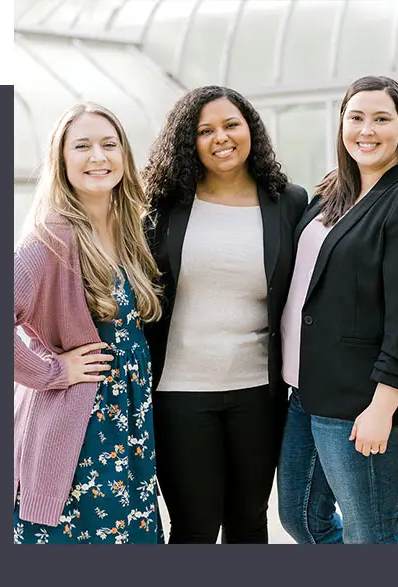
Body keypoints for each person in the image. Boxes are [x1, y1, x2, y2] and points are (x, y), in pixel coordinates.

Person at [275, 75, 398, 544]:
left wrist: (383, 407)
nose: (366, 130)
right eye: (356, 118)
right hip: (304, 391)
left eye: (381, 119)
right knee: (300, 519)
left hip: (360, 402)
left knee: (370, 532)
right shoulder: (333, 191)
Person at [142, 85, 308, 544]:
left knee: (250, 522)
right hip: (178, 392)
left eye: (232, 124)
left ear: (250, 128)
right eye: (205, 130)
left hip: (258, 391)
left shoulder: (288, 201)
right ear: (187, 142)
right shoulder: (162, 205)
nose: (222, 137)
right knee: (195, 526)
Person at [13, 103, 165, 544]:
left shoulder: (130, 228)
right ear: (61, 160)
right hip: (79, 436)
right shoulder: (52, 235)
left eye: (108, 144)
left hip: (128, 430)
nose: (98, 156)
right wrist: (53, 371)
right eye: (82, 146)